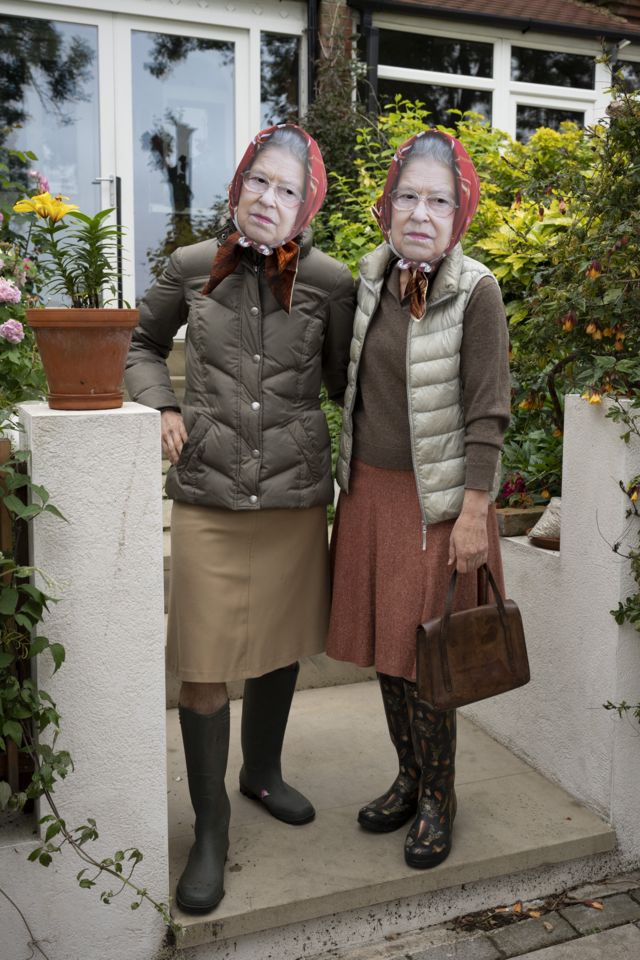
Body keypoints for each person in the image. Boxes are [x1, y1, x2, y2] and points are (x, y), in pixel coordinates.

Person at [125, 124, 355, 913]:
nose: (269, 198)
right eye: (259, 181)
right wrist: (158, 404)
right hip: (208, 494)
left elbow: (344, 382)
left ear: (308, 203)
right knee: (202, 661)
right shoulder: (192, 266)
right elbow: (142, 345)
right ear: (238, 186)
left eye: (288, 188)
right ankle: (211, 824)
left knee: (281, 642)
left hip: (293, 496)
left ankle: (262, 771)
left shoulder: (331, 280)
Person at [326, 129, 510, 870]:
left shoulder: (478, 290)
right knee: (387, 651)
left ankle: (441, 796)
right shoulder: (366, 278)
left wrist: (474, 510)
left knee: (428, 657)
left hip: (438, 505)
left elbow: (488, 410)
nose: (421, 213)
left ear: (459, 211)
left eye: (439, 200)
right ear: (386, 205)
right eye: (409, 196)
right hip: (369, 493)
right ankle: (408, 777)